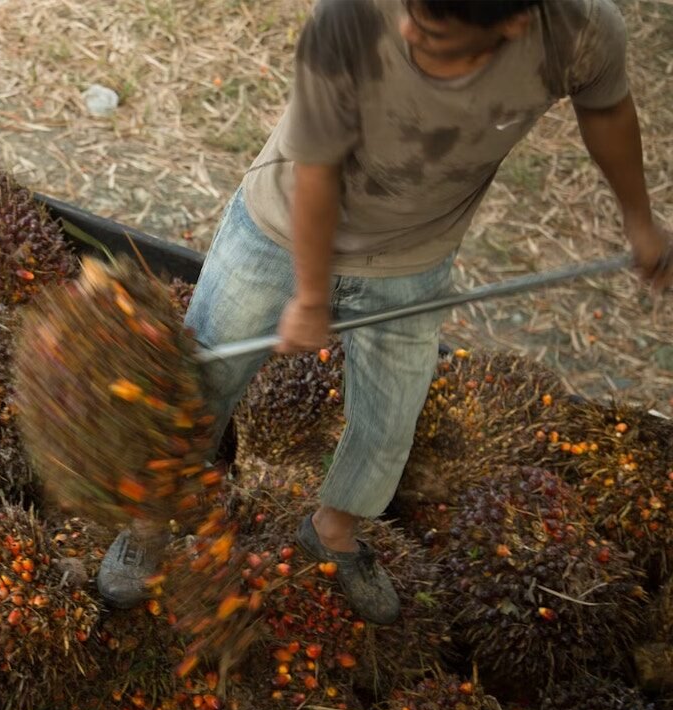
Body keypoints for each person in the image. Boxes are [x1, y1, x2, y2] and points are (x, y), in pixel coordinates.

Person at [97, 0, 672, 622]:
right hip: (280, 229)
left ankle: (332, 533)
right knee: (204, 371)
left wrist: (639, 218)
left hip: (412, 254)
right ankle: (152, 518)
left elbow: (607, 108)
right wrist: (312, 295)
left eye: (432, 30)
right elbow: (319, 168)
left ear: (512, 25)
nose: (406, 30)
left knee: (390, 416)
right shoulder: (350, 18)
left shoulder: (581, 32)